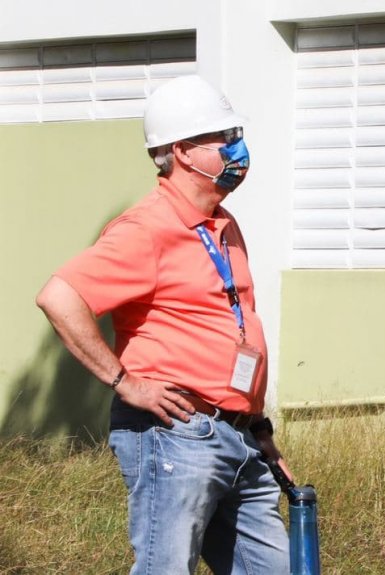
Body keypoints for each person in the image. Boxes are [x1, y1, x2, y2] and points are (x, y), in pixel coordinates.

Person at [35, 75, 290, 574]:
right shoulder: (146, 229)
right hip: (176, 433)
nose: (237, 148)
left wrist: (257, 426)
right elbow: (59, 297)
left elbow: (230, 329)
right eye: (224, 138)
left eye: (235, 133)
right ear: (184, 152)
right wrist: (125, 382)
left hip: (238, 436)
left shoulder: (224, 224)